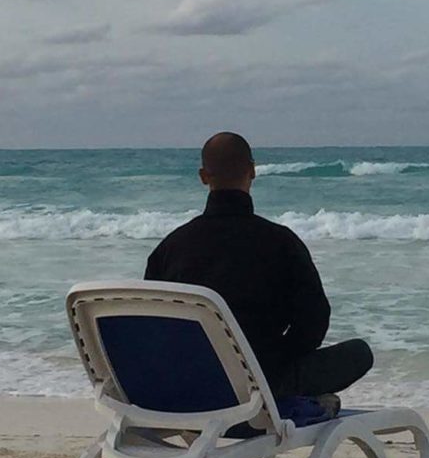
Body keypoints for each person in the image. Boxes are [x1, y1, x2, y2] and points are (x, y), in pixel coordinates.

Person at [144, 132, 373, 404]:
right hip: (262, 387)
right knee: (359, 353)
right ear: (253, 171)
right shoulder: (281, 242)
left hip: (189, 389)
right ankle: (289, 396)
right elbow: (314, 323)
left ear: (203, 176)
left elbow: (154, 328)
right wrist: (277, 358)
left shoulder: (169, 248)